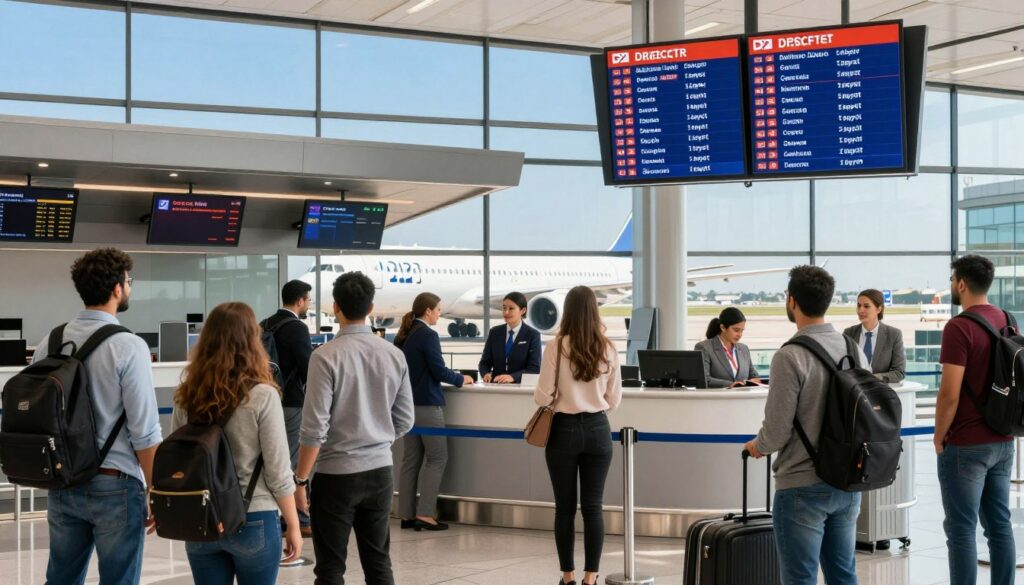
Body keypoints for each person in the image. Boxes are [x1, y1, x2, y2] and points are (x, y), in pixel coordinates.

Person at [32, 248, 163, 585]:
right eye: (129, 282)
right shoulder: (128, 345)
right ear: (117, 288)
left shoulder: (51, 341)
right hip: (115, 485)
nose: (129, 288)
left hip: (63, 482)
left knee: (61, 579)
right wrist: (159, 491)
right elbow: (144, 430)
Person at [744, 266, 867, 585]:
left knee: (800, 578)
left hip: (801, 486)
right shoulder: (853, 349)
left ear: (791, 300)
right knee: (843, 575)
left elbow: (776, 431)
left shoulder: (789, 356)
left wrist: (757, 446)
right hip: (847, 482)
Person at [294, 272, 414, 585]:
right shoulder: (394, 355)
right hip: (380, 471)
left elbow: (314, 428)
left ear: (335, 307)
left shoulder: (324, 357)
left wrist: (301, 479)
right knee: (379, 564)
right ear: (371, 307)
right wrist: (377, 438)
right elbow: (405, 418)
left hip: (335, 474)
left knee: (331, 569)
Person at [172, 302, 302, 585]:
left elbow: (179, 457)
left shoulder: (187, 395)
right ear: (252, 341)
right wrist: (293, 523)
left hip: (202, 518)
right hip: (253, 515)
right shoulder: (263, 395)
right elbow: (278, 471)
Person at [933, 255, 1015, 585]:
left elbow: (949, 393)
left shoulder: (959, 327)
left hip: (966, 444)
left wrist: (939, 436)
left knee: (961, 529)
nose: (952, 285)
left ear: (962, 283)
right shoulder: (1008, 320)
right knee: (999, 525)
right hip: (1003, 440)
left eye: (953, 279)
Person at [534, 286, 622, 585]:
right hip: (598, 429)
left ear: (567, 310)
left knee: (565, 509)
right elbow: (614, 399)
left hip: (563, 430)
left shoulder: (556, 347)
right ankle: (590, 577)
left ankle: (568, 576)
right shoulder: (608, 347)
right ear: (594, 310)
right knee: (594, 508)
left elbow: (542, 395)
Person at [395, 292, 474, 531]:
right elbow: (439, 371)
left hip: (408, 405)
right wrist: (462, 379)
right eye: (438, 310)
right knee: (437, 457)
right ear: (428, 311)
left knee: (411, 460)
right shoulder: (427, 335)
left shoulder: (406, 334)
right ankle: (426, 514)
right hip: (428, 405)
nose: (440, 314)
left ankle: (406, 515)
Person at [261, 279, 314, 538]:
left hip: (266, 399)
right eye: (308, 300)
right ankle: (301, 519)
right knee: (293, 461)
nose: (308, 305)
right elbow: (308, 368)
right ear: (300, 300)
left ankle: (276, 514)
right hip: (291, 402)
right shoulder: (297, 328)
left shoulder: (264, 324)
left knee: (271, 458)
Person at [843, 288, 906, 384]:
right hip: (853, 392)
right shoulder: (848, 333)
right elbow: (843, 368)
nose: (861, 310)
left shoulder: (894, 335)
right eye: (859, 305)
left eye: (866, 306)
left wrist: (871, 378)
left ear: (879, 309)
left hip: (880, 392)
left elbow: (899, 373)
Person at [479, 291, 542, 384]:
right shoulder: (495, 333)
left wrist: (512, 377)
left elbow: (534, 368)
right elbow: (484, 363)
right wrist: (486, 373)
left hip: (520, 387)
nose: (506, 312)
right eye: (504, 308)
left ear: (523, 311)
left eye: (511, 308)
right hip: (495, 386)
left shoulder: (532, 335)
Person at [694, 307, 762, 388]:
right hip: (718, 399)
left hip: (742, 399)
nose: (740, 334)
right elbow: (704, 379)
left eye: (742, 330)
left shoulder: (744, 348)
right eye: (736, 330)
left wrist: (751, 381)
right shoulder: (704, 347)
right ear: (723, 327)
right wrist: (730, 385)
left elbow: (754, 375)